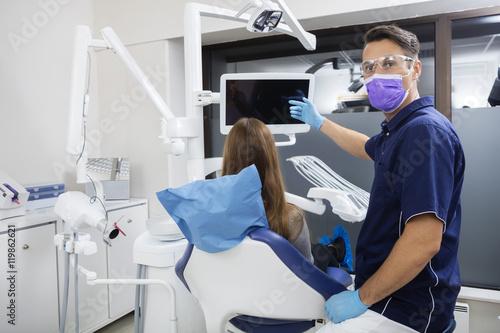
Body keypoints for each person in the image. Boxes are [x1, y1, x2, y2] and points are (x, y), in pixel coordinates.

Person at [289, 24, 465, 333]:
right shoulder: (399, 130)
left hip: (407, 306)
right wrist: (318, 122)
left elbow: (423, 241)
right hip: (387, 296)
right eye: (369, 67)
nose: (377, 74)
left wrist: (361, 299)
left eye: (389, 63)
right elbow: (365, 146)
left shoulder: (424, 132)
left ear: (415, 68)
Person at [222, 117, 349, 270]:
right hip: (290, 284)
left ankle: (330, 248)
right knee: (319, 253)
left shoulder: (212, 216)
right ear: (271, 160)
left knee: (313, 247)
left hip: (242, 285)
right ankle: (335, 250)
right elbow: (307, 269)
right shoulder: (290, 219)